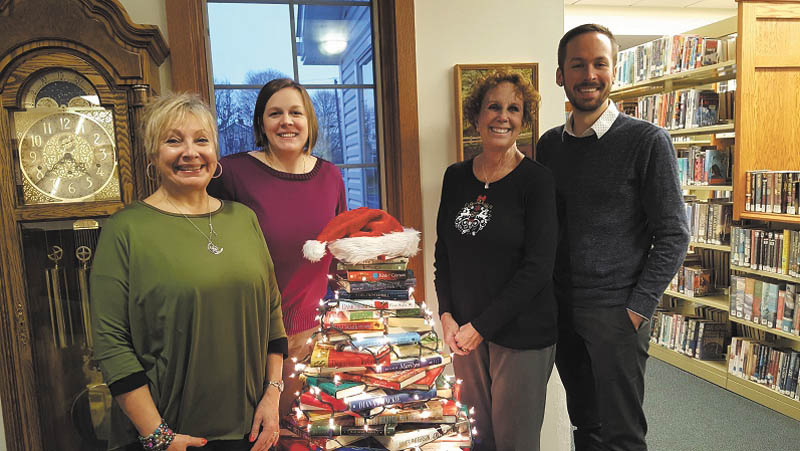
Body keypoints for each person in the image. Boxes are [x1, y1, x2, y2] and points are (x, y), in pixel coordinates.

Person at [91, 93, 287, 451]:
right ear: (153, 155)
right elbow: (110, 343)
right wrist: (157, 435)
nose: (190, 152)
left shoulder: (244, 220)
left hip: (253, 431)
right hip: (168, 436)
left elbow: (273, 315)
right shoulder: (126, 230)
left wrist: (273, 396)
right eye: (173, 140)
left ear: (215, 151)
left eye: (201, 140)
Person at [535, 24, 690, 451]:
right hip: (564, 310)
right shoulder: (549, 146)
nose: (589, 74)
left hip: (617, 315)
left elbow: (675, 234)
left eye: (599, 63)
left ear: (614, 70)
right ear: (559, 74)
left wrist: (638, 308)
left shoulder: (647, 142)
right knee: (585, 425)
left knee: (622, 435)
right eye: (578, 64)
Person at [433, 69, 558, 451]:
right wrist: (447, 315)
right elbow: (444, 254)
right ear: (477, 116)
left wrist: (481, 327)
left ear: (523, 120)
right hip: (465, 334)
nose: (503, 116)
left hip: (521, 336)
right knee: (477, 438)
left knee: (514, 442)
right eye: (494, 107)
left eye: (513, 109)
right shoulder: (455, 177)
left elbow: (538, 268)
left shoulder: (536, 181)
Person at [208, 78, 346, 418]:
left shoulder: (330, 177)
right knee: (255, 432)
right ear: (261, 123)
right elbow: (210, 247)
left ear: (309, 122)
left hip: (313, 338)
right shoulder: (232, 173)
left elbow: (339, 254)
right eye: (275, 113)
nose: (287, 121)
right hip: (250, 338)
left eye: (295, 112)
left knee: (304, 431)